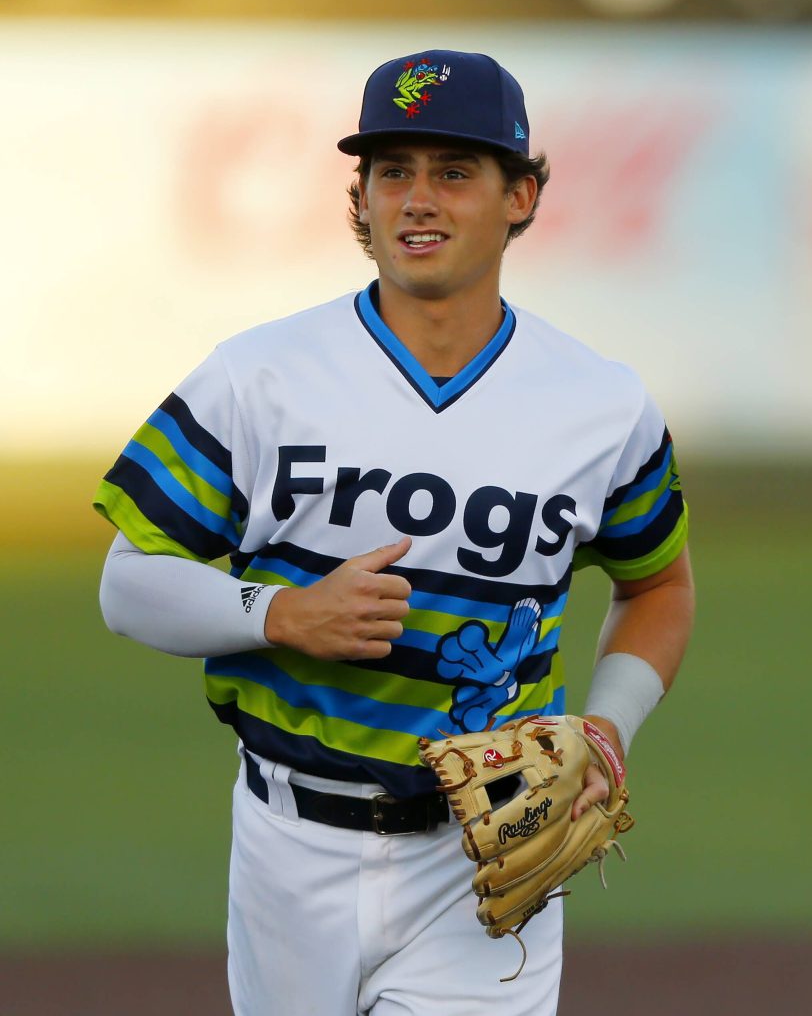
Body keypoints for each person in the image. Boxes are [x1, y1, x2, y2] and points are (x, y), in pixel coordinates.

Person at [94, 50, 694, 1016]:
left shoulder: (603, 405)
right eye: (393, 171)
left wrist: (607, 727)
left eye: (454, 172)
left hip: (490, 848)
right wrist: (280, 612)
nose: (419, 198)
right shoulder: (259, 376)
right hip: (288, 848)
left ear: (521, 195)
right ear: (359, 199)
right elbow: (127, 584)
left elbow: (658, 584)